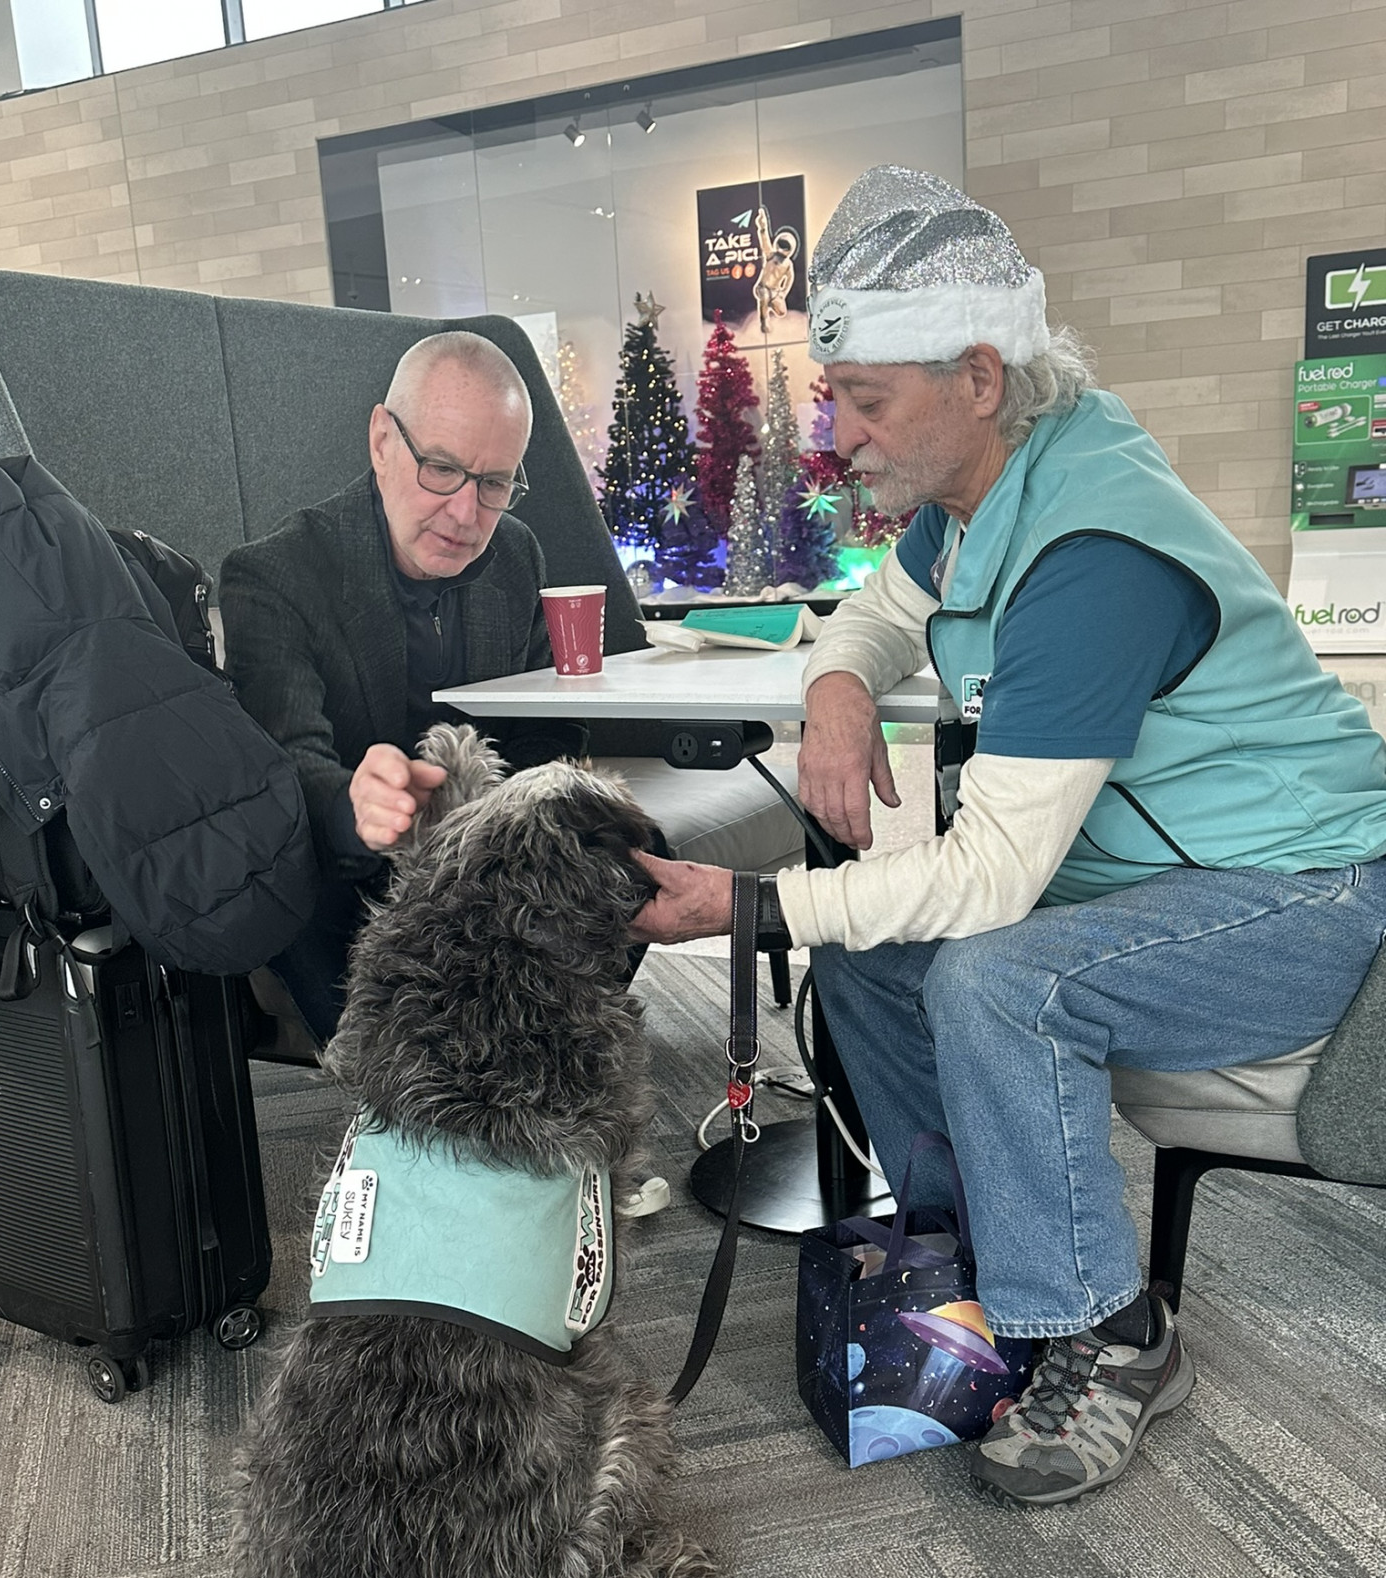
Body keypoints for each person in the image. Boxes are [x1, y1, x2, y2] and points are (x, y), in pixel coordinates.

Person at [632, 167, 1386, 1509]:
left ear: (977, 376)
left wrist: (752, 907)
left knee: (998, 975)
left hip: (1304, 889)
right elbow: (874, 613)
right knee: (872, 964)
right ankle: (978, 1257)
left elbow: (989, 878)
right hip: (1158, 881)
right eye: (834, 396)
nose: (838, 436)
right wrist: (838, 688)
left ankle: (1113, 1330)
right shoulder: (979, 492)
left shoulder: (1092, 554)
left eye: (866, 401)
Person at [221, 331, 587, 1042]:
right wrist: (361, 808)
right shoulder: (277, 574)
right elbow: (288, 763)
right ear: (382, 442)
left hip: (488, 855)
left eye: (494, 484)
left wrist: (514, 824)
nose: (466, 514)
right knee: (305, 899)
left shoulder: (516, 554)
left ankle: (539, 1053)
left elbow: (545, 729)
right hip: (349, 873)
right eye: (442, 469)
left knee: (628, 852)